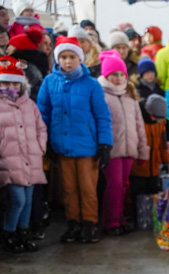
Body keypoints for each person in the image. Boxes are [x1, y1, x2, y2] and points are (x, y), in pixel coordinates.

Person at [37, 36, 113, 244]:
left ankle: (89, 224)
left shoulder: (91, 85)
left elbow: (102, 115)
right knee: (68, 189)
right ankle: (73, 224)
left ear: (80, 59)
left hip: (87, 147)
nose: (68, 61)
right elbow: (43, 114)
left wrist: (105, 144)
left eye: (72, 56)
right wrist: (45, 142)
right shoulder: (49, 82)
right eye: (63, 57)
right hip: (61, 147)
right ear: (57, 59)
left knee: (88, 189)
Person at [98, 50, 148, 236]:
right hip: (112, 150)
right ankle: (110, 221)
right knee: (114, 184)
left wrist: (143, 150)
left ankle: (119, 218)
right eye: (114, 74)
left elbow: (138, 125)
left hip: (129, 149)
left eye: (121, 74)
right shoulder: (102, 95)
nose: (118, 78)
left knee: (123, 185)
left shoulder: (130, 97)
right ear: (106, 75)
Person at [0, 54, 47, 253]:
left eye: (15, 82)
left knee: (27, 200)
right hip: (8, 161)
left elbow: (41, 128)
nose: (11, 87)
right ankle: (8, 233)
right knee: (17, 199)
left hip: (30, 159)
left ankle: (23, 233)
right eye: (5, 82)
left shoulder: (30, 105)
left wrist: (40, 147)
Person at [130, 94, 169, 202]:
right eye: (155, 117)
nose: (156, 120)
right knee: (137, 199)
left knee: (153, 200)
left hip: (154, 169)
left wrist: (166, 161)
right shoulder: (137, 119)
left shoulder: (160, 121)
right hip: (138, 169)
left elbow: (163, 145)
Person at [6, 31, 44, 97]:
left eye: (9, 46)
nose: (7, 50)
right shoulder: (32, 67)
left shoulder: (26, 69)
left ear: (17, 48)